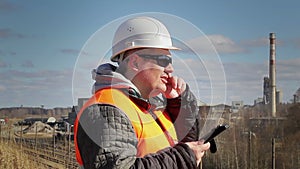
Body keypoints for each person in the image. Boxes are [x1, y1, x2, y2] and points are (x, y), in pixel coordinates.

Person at [74, 16, 211, 169]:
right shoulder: (106, 109)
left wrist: (180, 104)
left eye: (170, 62)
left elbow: (183, 145)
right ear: (135, 62)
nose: (170, 69)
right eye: (163, 61)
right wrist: (183, 158)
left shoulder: (150, 107)